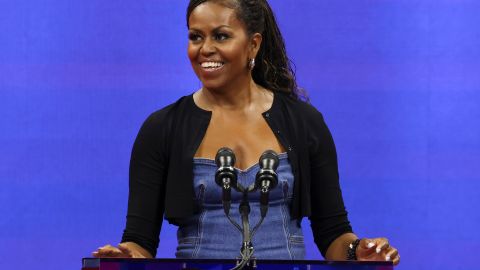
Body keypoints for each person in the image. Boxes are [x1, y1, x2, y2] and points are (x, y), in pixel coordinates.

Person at [93, 0, 400, 265]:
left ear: (253, 43)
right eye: (195, 36)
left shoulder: (304, 122)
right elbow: (139, 239)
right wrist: (124, 259)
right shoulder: (161, 128)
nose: (205, 49)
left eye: (221, 36)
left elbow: (333, 231)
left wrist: (357, 250)